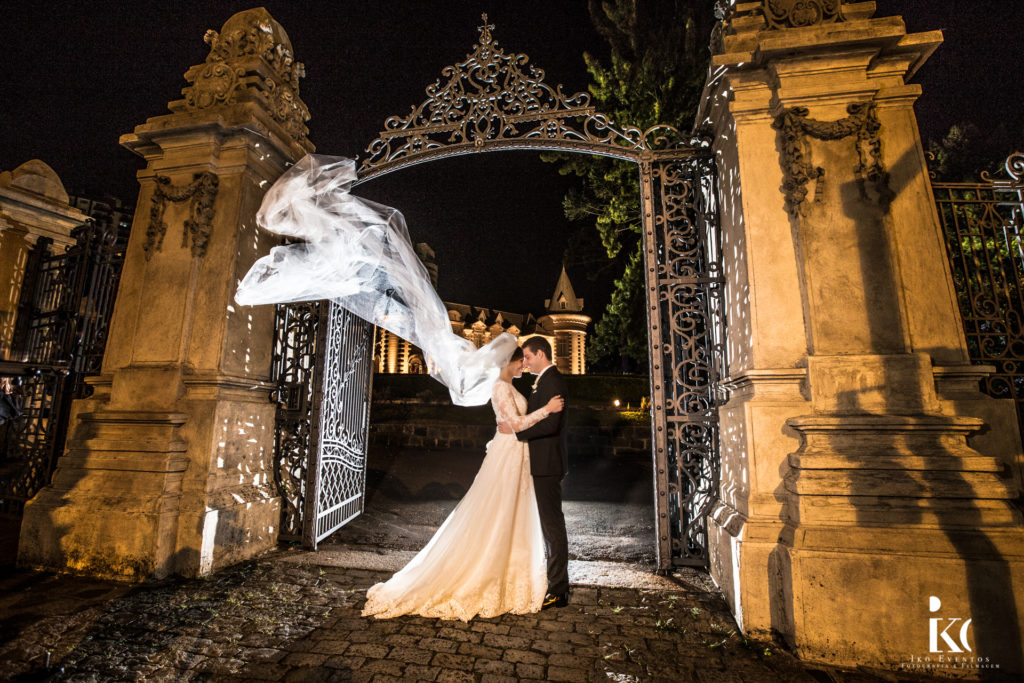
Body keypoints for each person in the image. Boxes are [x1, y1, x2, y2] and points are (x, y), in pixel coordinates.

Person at [362, 346, 564, 620]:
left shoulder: (508, 385)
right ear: (509, 361)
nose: (524, 366)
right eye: (521, 361)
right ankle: (491, 571)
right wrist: (547, 410)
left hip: (516, 453)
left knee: (513, 512)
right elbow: (516, 424)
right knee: (499, 511)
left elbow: (513, 424)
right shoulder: (500, 387)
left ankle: (513, 569)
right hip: (508, 455)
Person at [497, 336, 570, 610]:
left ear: (540, 354)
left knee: (552, 525)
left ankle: (559, 590)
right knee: (548, 525)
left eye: (527, 357)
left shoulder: (553, 381)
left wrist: (517, 431)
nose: (525, 363)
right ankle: (554, 583)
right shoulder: (544, 381)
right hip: (541, 462)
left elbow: (551, 425)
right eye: (522, 359)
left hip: (547, 464)